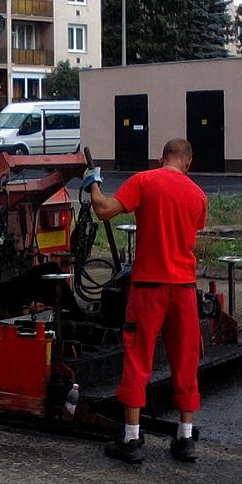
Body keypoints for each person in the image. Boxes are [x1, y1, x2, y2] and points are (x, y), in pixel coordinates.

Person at [85, 138, 208, 464]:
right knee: (186, 359)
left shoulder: (144, 180)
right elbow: (192, 231)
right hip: (183, 290)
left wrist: (94, 184)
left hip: (149, 289)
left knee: (139, 357)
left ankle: (131, 439)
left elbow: (104, 211)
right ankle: (184, 438)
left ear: (161, 158)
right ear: (188, 162)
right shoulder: (197, 194)